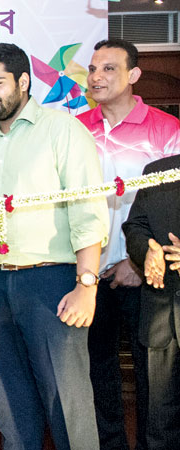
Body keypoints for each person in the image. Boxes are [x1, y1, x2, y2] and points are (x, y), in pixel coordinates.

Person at [0, 43, 109, 450]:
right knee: (9, 405)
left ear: (23, 82)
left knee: (66, 405)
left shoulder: (62, 129)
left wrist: (86, 285)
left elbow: (88, 209)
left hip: (52, 285)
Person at [78, 38, 180, 450]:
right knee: (96, 371)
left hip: (149, 274)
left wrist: (136, 262)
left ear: (134, 75)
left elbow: (172, 210)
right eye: (93, 68)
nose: (97, 76)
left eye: (109, 69)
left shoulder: (167, 130)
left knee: (153, 379)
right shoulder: (75, 130)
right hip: (87, 273)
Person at [123, 153, 180, 450]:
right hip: (162, 321)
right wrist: (147, 251)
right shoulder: (159, 172)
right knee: (159, 425)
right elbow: (135, 226)